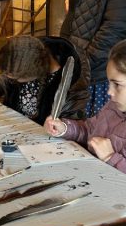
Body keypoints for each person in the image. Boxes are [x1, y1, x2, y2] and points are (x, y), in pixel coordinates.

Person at [44, 39, 126, 173]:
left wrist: (110, 157)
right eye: (109, 83)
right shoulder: (113, 107)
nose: (109, 92)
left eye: (117, 84)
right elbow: (89, 130)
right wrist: (65, 128)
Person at [0, 35, 87, 125]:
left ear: (33, 74)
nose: (8, 77)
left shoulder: (72, 82)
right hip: (15, 124)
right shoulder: (27, 51)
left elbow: (71, 124)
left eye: (15, 77)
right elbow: (6, 76)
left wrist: (60, 126)